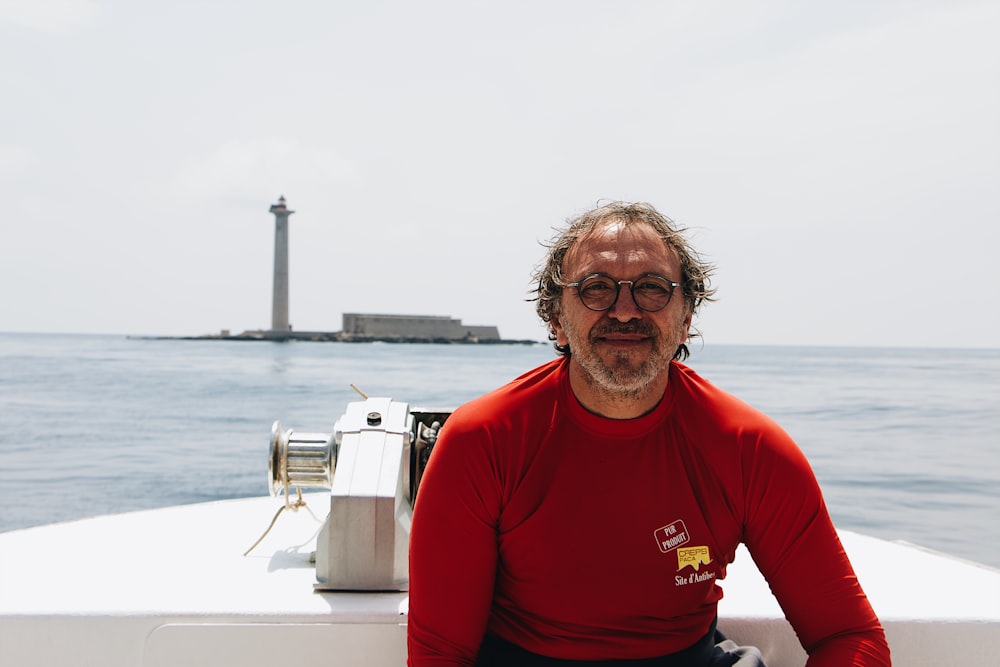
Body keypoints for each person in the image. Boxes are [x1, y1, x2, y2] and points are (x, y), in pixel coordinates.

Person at [407, 202, 891, 666]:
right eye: (596, 288)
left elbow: (848, 636)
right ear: (556, 319)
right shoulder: (483, 440)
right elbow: (440, 656)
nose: (623, 310)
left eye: (652, 288)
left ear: (686, 319)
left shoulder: (749, 449)